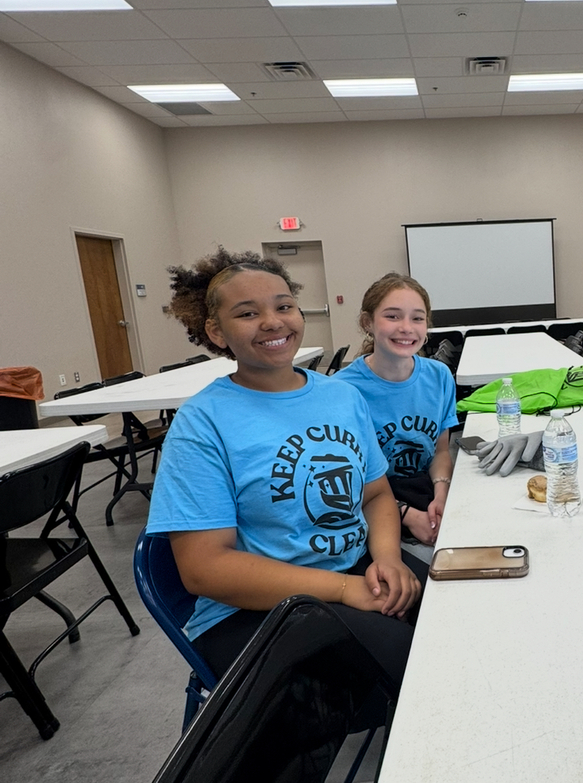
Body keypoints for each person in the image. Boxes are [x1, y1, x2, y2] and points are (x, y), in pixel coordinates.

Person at [146, 248, 425, 687]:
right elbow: (204, 568)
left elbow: (375, 494)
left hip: (353, 569)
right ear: (216, 332)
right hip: (256, 610)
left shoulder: (341, 396)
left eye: (283, 306)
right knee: (422, 663)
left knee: (460, 611)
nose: (273, 321)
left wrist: (387, 556)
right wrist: (346, 590)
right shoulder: (203, 422)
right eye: (247, 313)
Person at [336, 273, 459, 546]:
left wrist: (442, 495)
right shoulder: (341, 391)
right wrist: (405, 514)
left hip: (422, 493)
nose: (406, 328)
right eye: (392, 316)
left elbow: (440, 451)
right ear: (367, 322)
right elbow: (345, 481)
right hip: (368, 508)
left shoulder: (439, 377)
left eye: (417, 318)